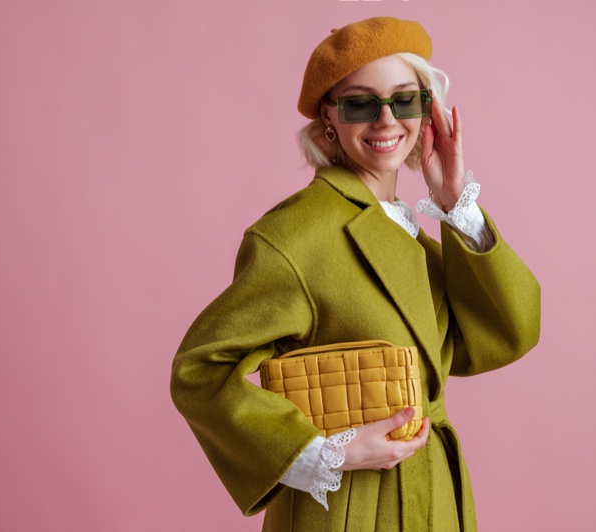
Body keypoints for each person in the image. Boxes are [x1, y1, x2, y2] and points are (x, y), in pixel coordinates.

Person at [171, 16, 540, 531]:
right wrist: (322, 453)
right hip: (350, 510)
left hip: (434, 497)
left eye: (405, 100)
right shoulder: (295, 235)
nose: (386, 121)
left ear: (427, 109)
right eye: (361, 103)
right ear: (330, 118)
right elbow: (199, 371)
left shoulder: (412, 234)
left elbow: (507, 333)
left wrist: (456, 204)